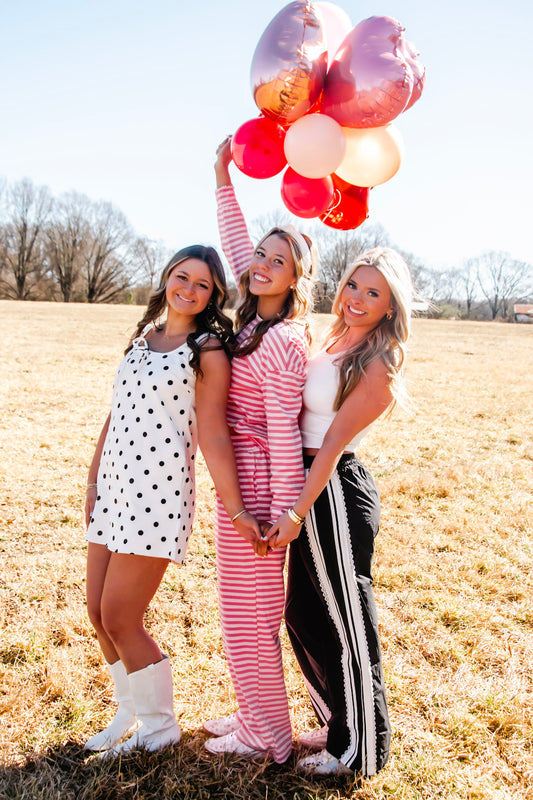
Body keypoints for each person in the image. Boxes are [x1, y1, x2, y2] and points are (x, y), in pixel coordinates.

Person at [84, 245, 261, 755]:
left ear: (214, 295)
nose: (188, 288)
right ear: (167, 277)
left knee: (121, 616)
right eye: (182, 277)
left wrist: (236, 508)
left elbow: (213, 433)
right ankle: (129, 713)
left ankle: (160, 728)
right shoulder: (143, 337)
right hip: (114, 491)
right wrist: (93, 484)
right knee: (96, 612)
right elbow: (113, 417)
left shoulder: (205, 348)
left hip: (157, 498)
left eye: (202, 284)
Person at [267, 247, 415, 776]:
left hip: (332, 492)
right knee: (303, 614)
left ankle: (359, 750)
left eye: (373, 293)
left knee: (348, 623)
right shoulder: (329, 337)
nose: (357, 298)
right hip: (306, 482)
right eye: (355, 284)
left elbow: (331, 444)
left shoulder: (379, 361)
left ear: (390, 306)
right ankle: (336, 722)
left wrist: (296, 514)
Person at [202, 138, 317, 763]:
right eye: (261, 257)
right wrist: (223, 178)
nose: (263, 264)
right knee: (238, 610)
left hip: (261, 491)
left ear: (298, 277)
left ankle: (268, 736)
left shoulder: (283, 341)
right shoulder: (254, 316)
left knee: (251, 620)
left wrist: (277, 518)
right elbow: (234, 241)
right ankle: (254, 713)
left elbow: (281, 435)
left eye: (279, 261)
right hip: (238, 481)